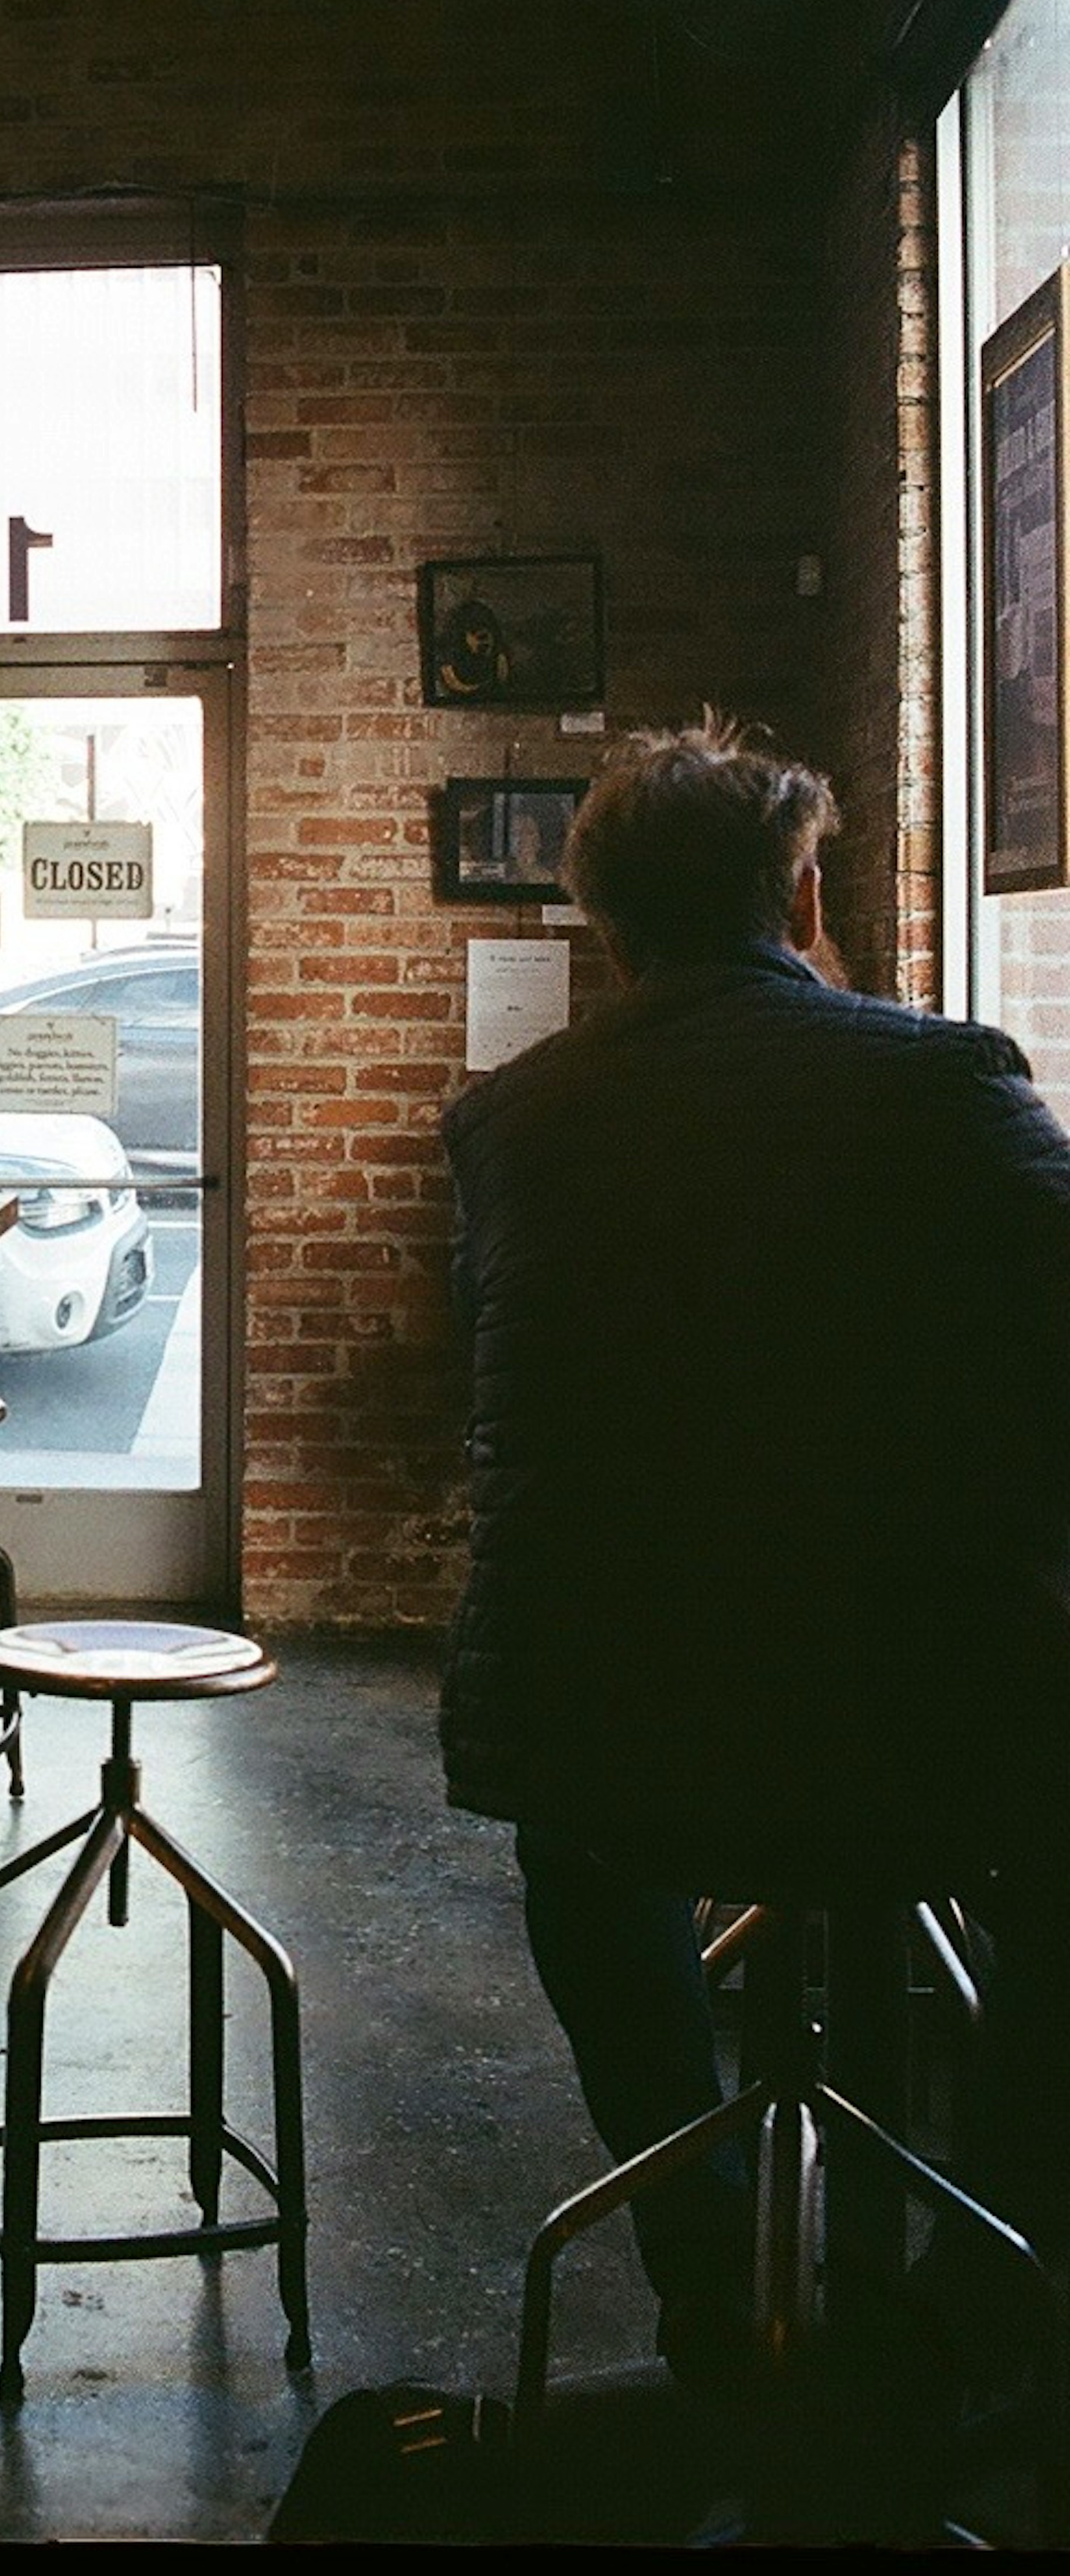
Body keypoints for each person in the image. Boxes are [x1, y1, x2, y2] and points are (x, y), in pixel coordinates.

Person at [437, 715, 1070, 2419]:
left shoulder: (509, 1122)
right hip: (905, 1746)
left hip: (587, 1743)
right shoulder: (941, 1079)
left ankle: (709, 2279)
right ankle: (964, 2328)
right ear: (801, 894)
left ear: (606, 929)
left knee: (591, 1884)